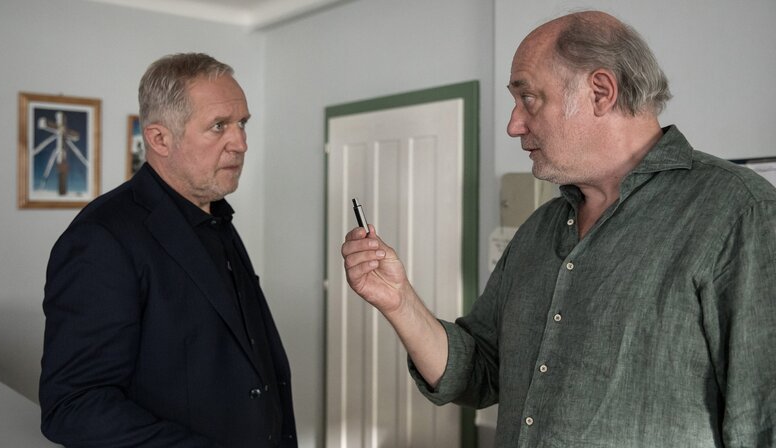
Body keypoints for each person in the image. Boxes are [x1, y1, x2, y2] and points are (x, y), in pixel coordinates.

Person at [342, 11, 776, 447]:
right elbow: (479, 372)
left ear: (601, 92)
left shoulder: (740, 213)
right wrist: (399, 301)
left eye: (528, 98)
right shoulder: (538, 229)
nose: (514, 124)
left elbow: (762, 422)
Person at [40, 53, 297, 447]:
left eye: (242, 123)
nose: (241, 143)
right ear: (160, 139)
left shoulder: (216, 215)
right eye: (219, 126)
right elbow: (73, 407)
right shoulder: (101, 239)